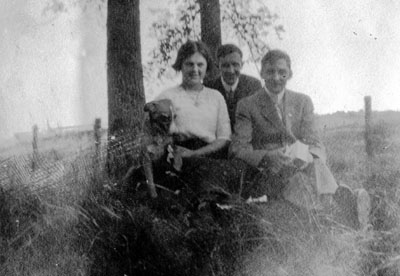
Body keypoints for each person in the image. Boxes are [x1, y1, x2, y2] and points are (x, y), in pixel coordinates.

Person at [230, 49, 371, 229]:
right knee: (301, 182)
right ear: (262, 73)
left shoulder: (303, 102)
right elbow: (238, 149)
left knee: (314, 167)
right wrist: (267, 156)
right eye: (270, 72)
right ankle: (341, 202)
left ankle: (334, 212)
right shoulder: (248, 105)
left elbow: (315, 142)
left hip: (302, 166)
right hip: (271, 170)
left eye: (282, 72)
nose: (276, 77)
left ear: (290, 74)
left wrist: (308, 157)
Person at [156, 40, 231, 159]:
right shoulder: (167, 96)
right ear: (181, 65)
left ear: (207, 66)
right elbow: (158, 137)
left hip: (210, 156)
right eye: (189, 64)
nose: (195, 70)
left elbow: (224, 138)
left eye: (200, 65)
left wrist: (195, 154)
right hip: (179, 155)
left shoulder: (216, 97)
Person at [204, 44, 262, 129]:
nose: (231, 71)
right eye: (225, 65)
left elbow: (258, 122)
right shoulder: (208, 88)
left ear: (242, 64)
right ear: (217, 66)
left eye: (235, 65)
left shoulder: (254, 86)